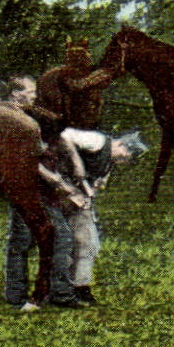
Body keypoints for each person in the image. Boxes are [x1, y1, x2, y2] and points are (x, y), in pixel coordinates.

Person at [1, 75, 80, 311]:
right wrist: (56, 181)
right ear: (16, 94)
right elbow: (20, 158)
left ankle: (17, 294)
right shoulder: (9, 120)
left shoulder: (29, 115)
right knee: (55, 237)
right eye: (31, 92)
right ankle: (58, 294)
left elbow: (56, 136)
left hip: (35, 188)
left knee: (25, 240)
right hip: (29, 188)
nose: (35, 96)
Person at [59, 126, 148, 306]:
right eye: (125, 156)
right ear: (121, 145)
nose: (123, 161)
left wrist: (91, 189)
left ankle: (79, 288)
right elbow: (64, 135)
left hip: (77, 200)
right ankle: (69, 289)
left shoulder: (108, 162)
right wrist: (76, 163)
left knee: (88, 243)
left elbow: (94, 185)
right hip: (57, 189)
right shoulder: (97, 141)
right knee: (70, 243)